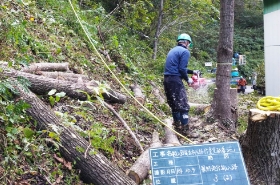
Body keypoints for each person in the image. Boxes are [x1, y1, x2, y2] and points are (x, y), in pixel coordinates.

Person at [163, 33, 198, 138]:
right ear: (187, 42)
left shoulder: (173, 50)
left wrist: (192, 71)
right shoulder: (185, 52)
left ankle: (177, 127)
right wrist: (188, 79)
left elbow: (178, 67)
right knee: (183, 105)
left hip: (167, 79)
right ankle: (186, 131)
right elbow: (182, 69)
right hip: (175, 79)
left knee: (174, 104)